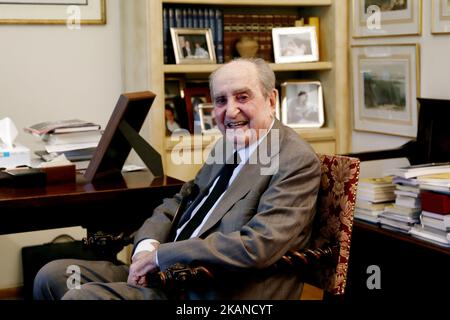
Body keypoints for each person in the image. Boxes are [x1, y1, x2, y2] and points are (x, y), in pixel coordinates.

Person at [33, 58, 321, 300]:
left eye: (243, 97)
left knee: (80, 298)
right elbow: (180, 200)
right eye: (221, 100)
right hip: (169, 271)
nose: (230, 111)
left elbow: (257, 246)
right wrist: (147, 247)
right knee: (51, 276)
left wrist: (162, 257)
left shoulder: (294, 160)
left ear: (271, 100)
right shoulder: (227, 146)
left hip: (213, 289)